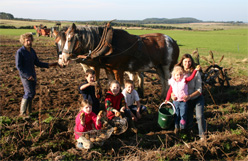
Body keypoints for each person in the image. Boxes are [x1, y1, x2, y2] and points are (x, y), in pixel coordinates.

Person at [15, 33, 58, 117]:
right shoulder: (20, 52)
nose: (29, 42)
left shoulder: (32, 51)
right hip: (26, 76)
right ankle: (22, 113)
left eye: (30, 40)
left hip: (33, 74)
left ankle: (29, 112)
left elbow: (37, 63)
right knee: (28, 92)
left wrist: (49, 65)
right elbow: (18, 66)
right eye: (27, 40)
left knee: (32, 93)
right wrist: (27, 76)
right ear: (23, 41)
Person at [174, 53, 206, 140]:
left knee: (199, 116)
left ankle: (202, 136)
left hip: (196, 98)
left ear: (191, 62)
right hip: (186, 100)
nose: (187, 63)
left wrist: (190, 96)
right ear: (182, 62)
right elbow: (173, 86)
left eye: (189, 61)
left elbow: (199, 90)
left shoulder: (195, 73)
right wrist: (173, 95)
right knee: (188, 119)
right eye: (185, 61)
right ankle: (189, 135)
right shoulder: (178, 73)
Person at [164, 65, 200, 134]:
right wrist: (167, 99)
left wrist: (195, 70)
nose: (179, 76)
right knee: (176, 114)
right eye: (177, 75)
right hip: (175, 101)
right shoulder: (173, 83)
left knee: (183, 114)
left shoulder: (184, 80)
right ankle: (176, 126)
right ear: (174, 75)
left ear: (182, 75)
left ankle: (182, 127)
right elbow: (169, 91)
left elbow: (191, 77)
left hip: (183, 101)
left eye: (180, 74)